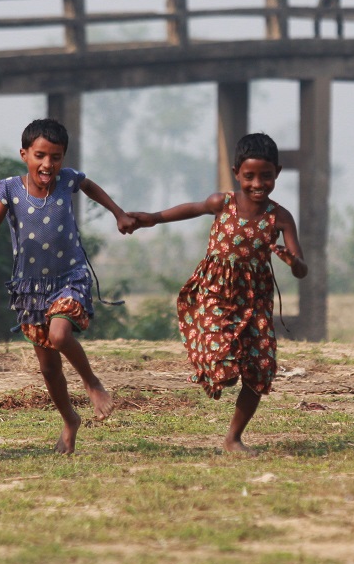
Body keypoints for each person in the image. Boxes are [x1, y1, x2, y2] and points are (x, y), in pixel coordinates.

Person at [128, 133, 308, 455]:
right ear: (237, 172)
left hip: (255, 300)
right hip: (216, 291)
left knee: (260, 367)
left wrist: (294, 262)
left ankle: (233, 438)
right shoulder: (221, 202)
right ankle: (211, 369)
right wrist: (153, 219)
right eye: (249, 176)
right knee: (221, 360)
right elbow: (190, 209)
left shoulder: (280, 217)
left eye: (266, 176)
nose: (258, 183)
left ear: (277, 173)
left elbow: (301, 268)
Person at [0, 118, 136, 455]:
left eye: (56, 156)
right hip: (30, 288)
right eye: (40, 155)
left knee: (60, 335)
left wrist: (118, 213)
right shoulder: (8, 190)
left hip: (70, 277)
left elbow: (89, 185)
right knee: (49, 368)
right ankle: (69, 420)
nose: (48, 164)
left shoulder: (67, 180)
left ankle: (92, 383)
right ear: (24, 154)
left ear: (63, 158)